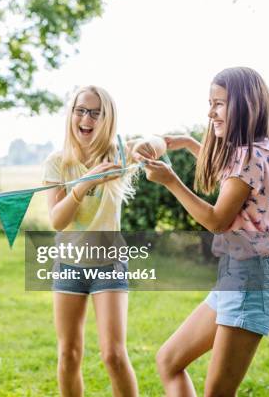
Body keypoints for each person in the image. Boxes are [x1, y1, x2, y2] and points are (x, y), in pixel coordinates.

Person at [142, 67, 269, 396]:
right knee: (169, 360)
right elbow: (234, 181)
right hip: (239, 277)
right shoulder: (264, 149)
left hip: (250, 281)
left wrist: (171, 181)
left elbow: (217, 219)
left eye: (219, 103)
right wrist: (189, 143)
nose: (210, 111)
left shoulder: (247, 156)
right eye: (210, 102)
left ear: (245, 105)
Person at [43, 85, 165, 397]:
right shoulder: (57, 163)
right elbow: (57, 220)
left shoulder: (117, 156)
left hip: (109, 265)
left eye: (96, 113)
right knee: (68, 354)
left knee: (113, 355)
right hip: (68, 266)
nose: (87, 118)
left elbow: (158, 143)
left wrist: (152, 143)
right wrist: (84, 184)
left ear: (107, 119)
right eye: (81, 110)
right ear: (71, 115)